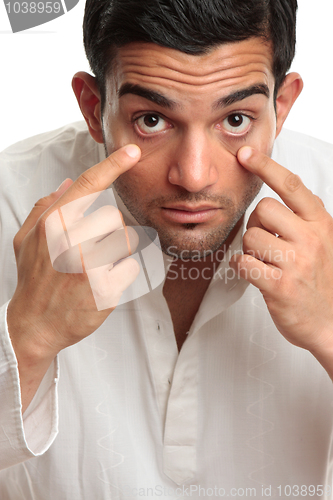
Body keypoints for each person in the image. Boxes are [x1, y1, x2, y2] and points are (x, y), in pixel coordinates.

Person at [1, 0, 333, 498]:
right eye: (152, 120)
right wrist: (26, 339)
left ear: (281, 106)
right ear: (96, 109)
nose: (194, 175)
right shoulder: (9, 197)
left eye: (236, 119)